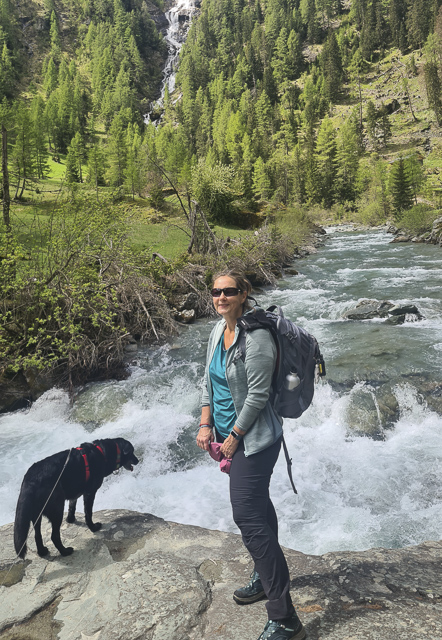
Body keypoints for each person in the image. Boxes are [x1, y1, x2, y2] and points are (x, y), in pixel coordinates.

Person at [196, 270, 306, 640]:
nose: (221, 297)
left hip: (256, 440)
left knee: (246, 514)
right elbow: (209, 382)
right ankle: (264, 576)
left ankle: (285, 617)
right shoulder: (216, 332)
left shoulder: (257, 338)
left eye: (229, 291)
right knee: (257, 505)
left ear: (244, 294)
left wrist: (235, 438)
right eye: (216, 291)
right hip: (227, 434)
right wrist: (205, 424)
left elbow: (258, 396)